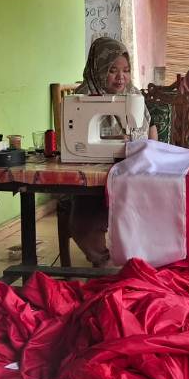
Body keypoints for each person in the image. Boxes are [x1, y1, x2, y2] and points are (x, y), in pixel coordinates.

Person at [62, 37, 156, 266]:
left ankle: (137, 260)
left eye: (126, 70)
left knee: (145, 204)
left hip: (129, 167)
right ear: (99, 68)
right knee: (84, 218)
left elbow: (148, 127)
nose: (120, 76)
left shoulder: (132, 93)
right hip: (93, 170)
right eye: (112, 70)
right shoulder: (82, 98)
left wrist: (145, 144)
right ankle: (103, 262)